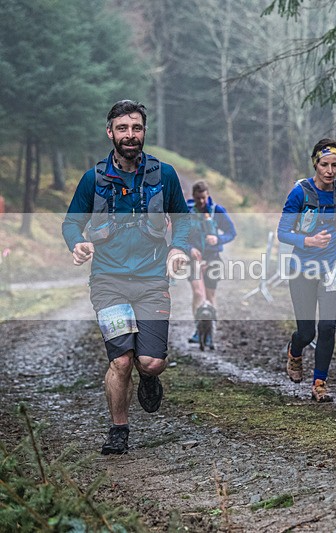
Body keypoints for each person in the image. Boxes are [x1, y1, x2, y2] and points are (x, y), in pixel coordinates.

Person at [62, 100, 191, 454]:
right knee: (120, 360)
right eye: (123, 128)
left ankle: (149, 378)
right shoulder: (94, 179)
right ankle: (119, 430)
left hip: (152, 282)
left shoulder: (164, 175)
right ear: (110, 133)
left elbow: (182, 218)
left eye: (136, 128)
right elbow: (72, 222)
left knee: (151, 361)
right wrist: (77, 244)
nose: (130, 135)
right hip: (108, 282)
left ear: (144, 132)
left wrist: (178, 248)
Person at [277, 138, 336, 402]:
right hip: (301, 268)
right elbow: (282, 233)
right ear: (315, 163)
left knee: (328, 327)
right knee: (307, 332)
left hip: (332, 266)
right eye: (325, 164)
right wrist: (307, 241)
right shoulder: (300, 192)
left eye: (335, 165)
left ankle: (320, 383)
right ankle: (295, 348)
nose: (330, 170)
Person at [186, 180, 237, 348]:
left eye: (203, 198)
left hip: (213, 257)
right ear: (193, 196)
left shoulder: (217, 211)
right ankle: (198, 329)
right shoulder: (187, 211)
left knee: (210, 296)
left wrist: (218, 239)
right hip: (194, 258)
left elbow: (231, 232)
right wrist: (190, 248)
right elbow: (178, 235)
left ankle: (210, 332)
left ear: (207, 195)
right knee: (198, 293)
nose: (201, 201)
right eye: (198, 198)